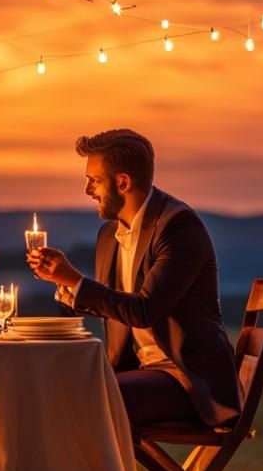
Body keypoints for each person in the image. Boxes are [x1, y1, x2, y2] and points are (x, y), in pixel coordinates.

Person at [26, 128, 241, 430]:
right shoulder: (108, 235)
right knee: (55, 386)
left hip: (189, 380)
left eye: (94, 181)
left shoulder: (178, 228)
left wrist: (76, 281)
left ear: (123, 182)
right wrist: (63, 284)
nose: (88, 190)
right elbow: (116, 305)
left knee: (89, 396)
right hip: (140, 369)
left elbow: (143, 311)